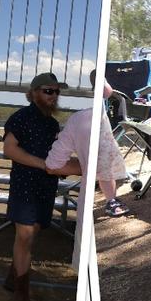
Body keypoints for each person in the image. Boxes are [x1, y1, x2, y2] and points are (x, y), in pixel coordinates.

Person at [45, 73, 130, 269]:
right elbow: (108, 92)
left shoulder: (76, 119)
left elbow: (53, 165)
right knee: (107, 172)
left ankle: (111, 200)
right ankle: (111, 200)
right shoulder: (88, 114)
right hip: (100, 145)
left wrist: (84, 165)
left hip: (84, 201)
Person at [2, 72, 68, 301]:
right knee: (26, 235)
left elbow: (56, 155)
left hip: (46, 186)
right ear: (33, 93)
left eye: (56, 92)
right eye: (48, 91)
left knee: (32, 235)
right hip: (25, 185)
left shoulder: (52, 124)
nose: (53, 96)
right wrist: (43, 164)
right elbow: (9, 149)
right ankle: (21, 293)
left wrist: (60, 167)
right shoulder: (20, 118)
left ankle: (13, 275)